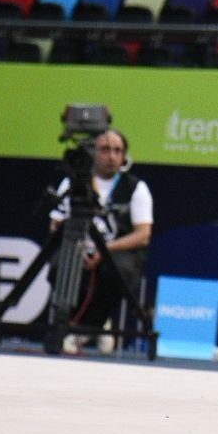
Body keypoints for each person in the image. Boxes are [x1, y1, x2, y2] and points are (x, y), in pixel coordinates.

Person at [49, 127, 153, 355]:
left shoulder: (136, 188)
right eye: (105, 149)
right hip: (78, 246)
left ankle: (87, 327)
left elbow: (143, 234)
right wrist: (77, 245)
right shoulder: (73, 183)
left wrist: (105, 250)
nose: (111, 156)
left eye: (117, 150)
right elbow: (55, 223)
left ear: (124, 156)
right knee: (59, 266)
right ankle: (72, 323)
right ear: (93, 153)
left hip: (116, 250)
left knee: (116, 270)